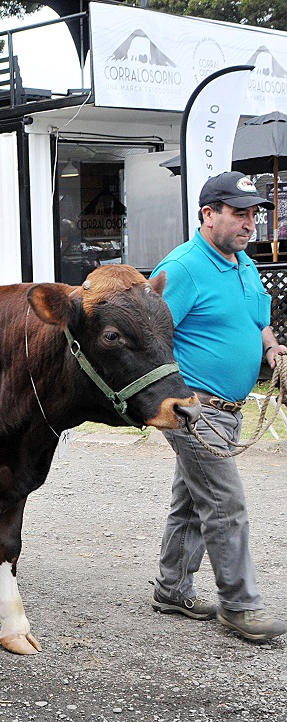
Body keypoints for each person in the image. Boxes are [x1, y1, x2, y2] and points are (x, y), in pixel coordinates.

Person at [150, 171, 287, 642]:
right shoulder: (183, 268)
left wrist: (269, 346)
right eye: (239, 214)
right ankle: (240, 606)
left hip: (228, 407)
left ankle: (171, 590)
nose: (251, 224)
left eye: (254, 214)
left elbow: (257, 319)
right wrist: (173, 400)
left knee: (192, 501)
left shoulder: (242, 262)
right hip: (194, 408)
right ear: (208, 215)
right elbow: (148, 337)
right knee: (225, 504)